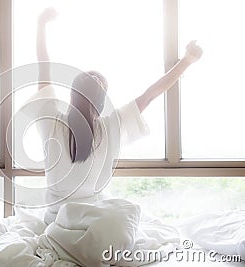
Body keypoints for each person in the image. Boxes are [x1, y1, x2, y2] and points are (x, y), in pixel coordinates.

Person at [33, 7, 203, 224]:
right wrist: (186, 61)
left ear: (72, 94)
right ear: (101, 102)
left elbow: (43, 67)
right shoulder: (105, 126)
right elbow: (149, 95)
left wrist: (41, 24)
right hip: (86, 220)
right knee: (129, 215)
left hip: (66, 221)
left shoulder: (53, 122)